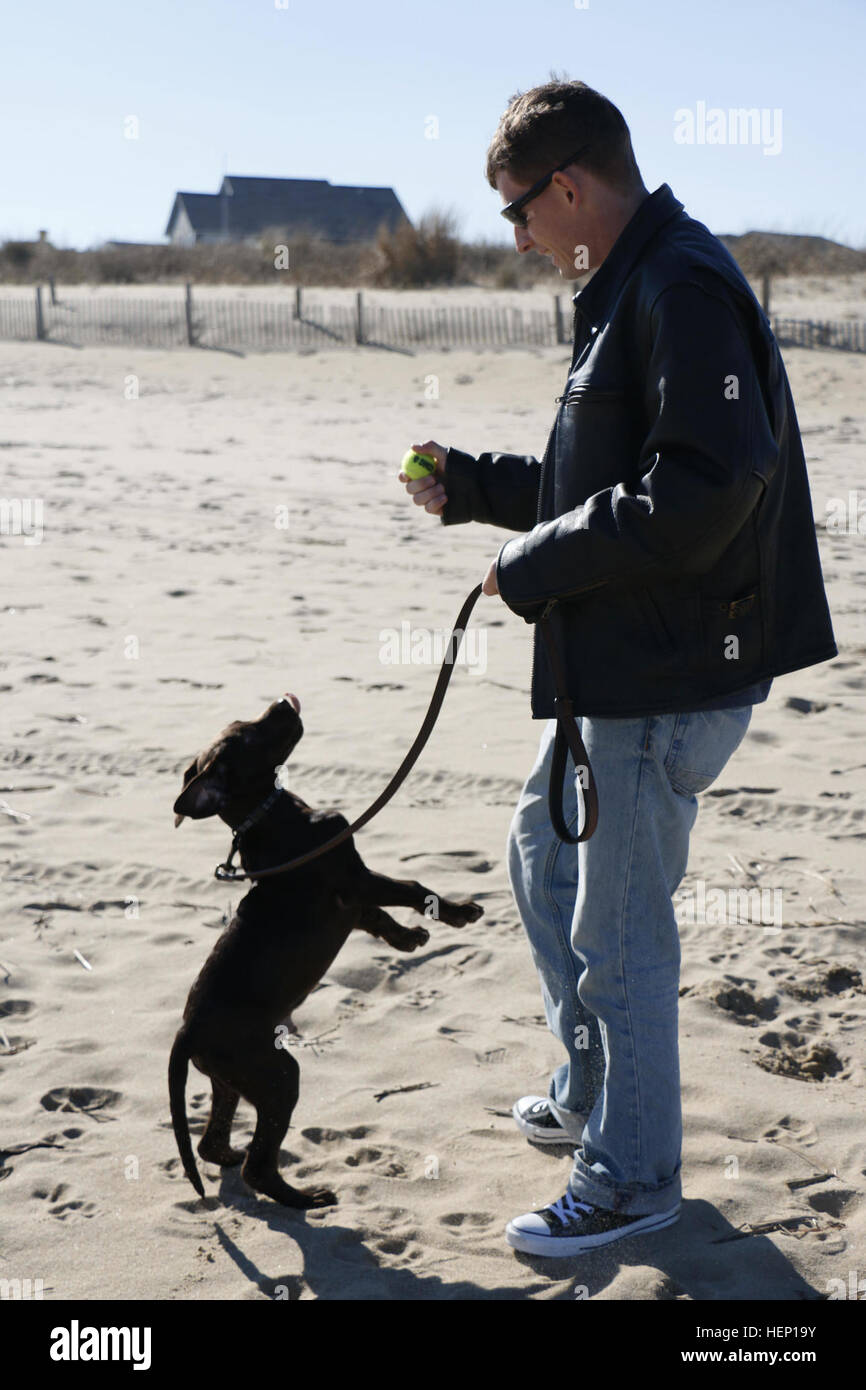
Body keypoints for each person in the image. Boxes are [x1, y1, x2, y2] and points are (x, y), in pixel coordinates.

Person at [399, 79, 836, 1258]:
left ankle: (631, 1173)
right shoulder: (625, 282)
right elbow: (607, 480)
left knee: (621, 936)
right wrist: (480, 493)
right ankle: (599, 1090)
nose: (513, 236)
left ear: (570, 185)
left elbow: (701, 488)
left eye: (513, 212)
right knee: (536, 854)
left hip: (670, 674)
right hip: (627, 667)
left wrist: (529, 566)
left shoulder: (677, 284)